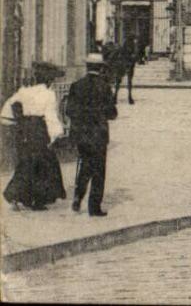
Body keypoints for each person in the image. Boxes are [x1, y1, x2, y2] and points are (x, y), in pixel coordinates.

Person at [1, 63, 66, 211]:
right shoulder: (49, 94)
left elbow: (8, 108)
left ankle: (24, 198)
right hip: (38, 130)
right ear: (49, 81)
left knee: (27, 162)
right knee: (42, 165)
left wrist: (16, 122)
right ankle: (34, 199)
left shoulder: (24, 91)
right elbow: (50, 116)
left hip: (23, 130)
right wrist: (55, 135)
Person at [66, 51, 117, 216]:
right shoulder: (104, 87)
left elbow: (69, 111)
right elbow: (112, 113)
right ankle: (94, 208)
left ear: (87, 67)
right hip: (99, 135)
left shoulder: (76, 85)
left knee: (84, 166)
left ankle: (77, 198)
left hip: (82, 134)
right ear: (101, 68)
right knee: (98, 171)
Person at [110, 38, 138, 106]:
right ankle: (129, 97)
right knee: (129, 81)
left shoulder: (122, 48)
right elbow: (134, 56)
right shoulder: (132, 47)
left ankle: (115, 97)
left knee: (118, 81)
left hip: (122, 64)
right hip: (129, 64)